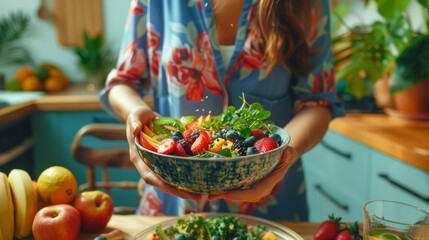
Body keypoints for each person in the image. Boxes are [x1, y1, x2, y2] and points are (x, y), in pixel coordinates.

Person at [100, 0, 344, 221]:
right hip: (174, 206)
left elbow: (317, 102)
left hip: (272, 205)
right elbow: (122, 82)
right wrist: (136, 115)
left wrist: (281, 158)